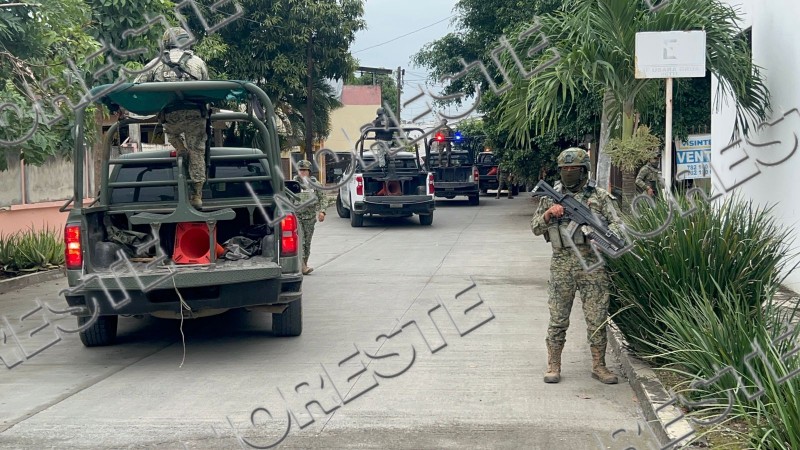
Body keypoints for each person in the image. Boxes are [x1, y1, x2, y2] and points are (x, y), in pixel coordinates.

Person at [530, 147, 623, 385]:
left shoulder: (599, 196)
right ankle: (553, 365)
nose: (569, 172)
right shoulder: (550, 196)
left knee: (596, 318)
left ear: (584, 170)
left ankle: (599, 366)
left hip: (592, 265)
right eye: (565, 168)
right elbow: (535, 227)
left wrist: (602, 234)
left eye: (574, 168)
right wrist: (549, 214)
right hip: (561, 265)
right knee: (558, 318)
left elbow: (619, 225)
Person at [135, 27, 209, 208]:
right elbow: (207, 88)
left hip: (171, 116)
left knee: (172, 134)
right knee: (197, 151)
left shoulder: (155, 64)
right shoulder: (198, 62)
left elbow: (137, 85)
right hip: (194, 116)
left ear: (166, 43)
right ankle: (197, 194)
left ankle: (180, 148)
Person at [293, 160, 329, 275]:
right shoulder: (293, 184)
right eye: (300, 170)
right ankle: (302, 266)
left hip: (310, 217)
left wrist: (322, 211)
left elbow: (323, 198)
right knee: (301, 241)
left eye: (305, 170)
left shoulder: (315, 184)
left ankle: (304, 264)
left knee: (307, 242)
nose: (302, 172)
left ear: (309, 171)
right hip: (297, 216)